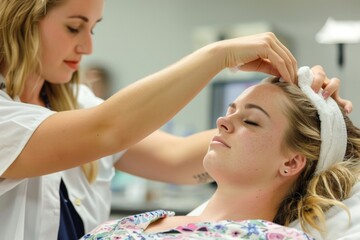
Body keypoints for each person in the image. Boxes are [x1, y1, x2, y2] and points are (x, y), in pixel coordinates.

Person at [0, 0, 351, 239]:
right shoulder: (136, 224)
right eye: (74, 27)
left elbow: (179, 159)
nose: (88, 47)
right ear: (22, 20)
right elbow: (106, 129)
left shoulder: (76, 103)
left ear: (292, 161)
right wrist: (219, 55)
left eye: (93, 28)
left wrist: (321, 119)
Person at [81, 67, 360, 240]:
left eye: (250, 121)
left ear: (291, 162)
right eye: (230, 110)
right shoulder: (138, 222)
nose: (222, 122)